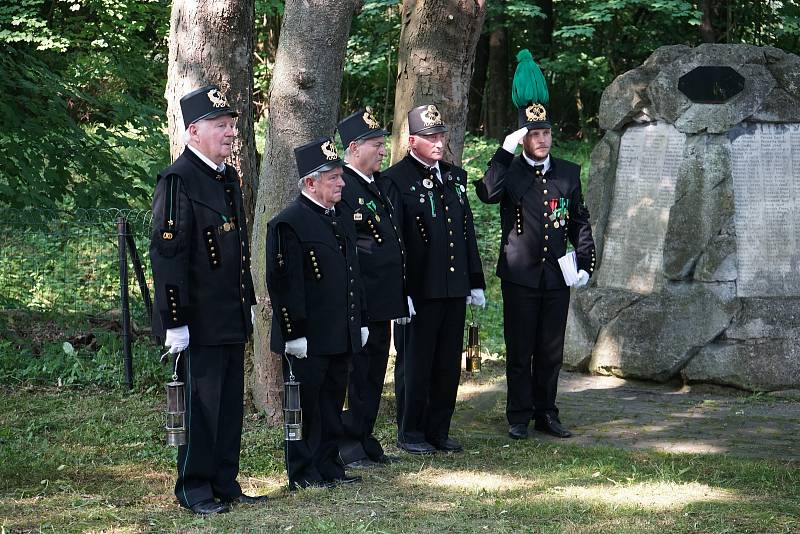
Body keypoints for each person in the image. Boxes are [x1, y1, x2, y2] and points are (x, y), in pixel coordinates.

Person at [149, 84, 267, 515]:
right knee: (201, 405)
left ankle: (224, 480)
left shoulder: (228, 177)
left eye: (232, 127)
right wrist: (174, 319)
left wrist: (248, 301)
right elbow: (168, 256)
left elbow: (237, 249)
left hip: (229, 313)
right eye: (221, 126)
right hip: (196, 317)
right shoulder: (178, 181)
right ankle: (194, 488)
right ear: (194, 132)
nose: (230, 134)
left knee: (229, 403)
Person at [473, 50, 596, 440]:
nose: (542, 141)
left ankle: (547, 412)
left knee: (550, 352)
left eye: (545, 134)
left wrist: (586, 264)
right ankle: (518, 415)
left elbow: (580, 220)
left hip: (557, 276)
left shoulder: (568, 173)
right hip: (520, 276)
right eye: (534, 135)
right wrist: (504, 152)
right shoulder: (509, 171)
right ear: (522, 138)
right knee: (520, 349)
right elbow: (487, 193)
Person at [381, 104, 485, 455]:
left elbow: (465, 230)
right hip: (419, 291)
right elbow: (395, 242)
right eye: (430, 137)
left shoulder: (455, 177)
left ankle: (439, 429)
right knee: (416, 363)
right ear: (412, 141)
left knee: (446, 363)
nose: (438, 142)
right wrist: (400, 292)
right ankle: (410, 431)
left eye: (441, 135)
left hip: (452, 287)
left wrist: (475, 280)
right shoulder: (395, 180)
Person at [266, 136, 368, 490]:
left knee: (330, 402)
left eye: (341, 176)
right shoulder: (288, 223)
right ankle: (304, 471)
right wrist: (293, 333)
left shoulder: (338, 216)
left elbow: (354, 272)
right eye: (333, 178)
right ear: (310, 182)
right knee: (306, 406)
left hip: (338, 330)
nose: (342, 183)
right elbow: (283, 284)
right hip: (306, 336)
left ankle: (329, 464)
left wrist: (360, 320)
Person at [335, 109, 406, 467]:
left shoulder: (375, 184)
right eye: (377, 145)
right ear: (354, 147)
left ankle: (364, 435)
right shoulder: (344, 188)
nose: (383, 151)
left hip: (382, 299)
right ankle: (348, 443)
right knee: (357, 372)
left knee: (376, 370)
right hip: (359, 301)